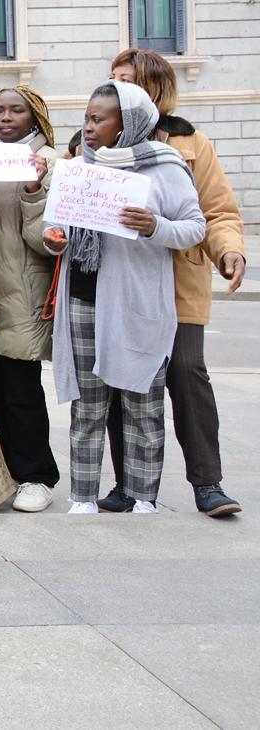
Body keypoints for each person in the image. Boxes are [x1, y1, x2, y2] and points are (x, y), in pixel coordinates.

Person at [99, 50, 245, 517]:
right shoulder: (97, 138)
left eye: (127, 81)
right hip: (119, 281)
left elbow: (217, 211)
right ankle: (128, 485)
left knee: (186, 372)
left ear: (154, 91)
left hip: (178, 280)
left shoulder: (190, 143)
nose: (115, 90)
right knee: (124, 379)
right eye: (112, 80)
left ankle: (208, 483)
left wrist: (229, 251)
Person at [49, 81, 204, 515]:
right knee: (87, 403)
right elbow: (55, 229)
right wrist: (55, 239)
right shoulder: (81, 166)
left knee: (143, 402)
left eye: (100, 119)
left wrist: (155, 226)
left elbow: (194, 227)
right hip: (82, 297)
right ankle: (82, 495)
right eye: (87, 119)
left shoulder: (165, 167)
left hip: (136, 302)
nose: (90, 128)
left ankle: (142, 495)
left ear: (129, 122)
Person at [0, 86, 61, 512]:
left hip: (23, 291)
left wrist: (32, 190)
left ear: (35, 117)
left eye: (16, 110)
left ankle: (37, 476)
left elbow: (48, 241)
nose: (5, 118)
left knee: (21, 387)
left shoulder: (53, 164)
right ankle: (11, 470)